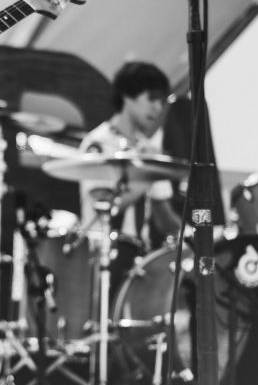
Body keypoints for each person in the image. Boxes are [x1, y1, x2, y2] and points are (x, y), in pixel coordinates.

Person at [78, 61, 182, 277]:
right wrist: (148, 172)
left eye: (162, 101)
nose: (158, 108)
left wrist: (193, 236)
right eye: (151, 98)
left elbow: (163, 215)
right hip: (101, 255)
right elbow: (105, 205)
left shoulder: (148, 149)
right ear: (127, 95)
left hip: (139, 258)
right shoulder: (97, 143)